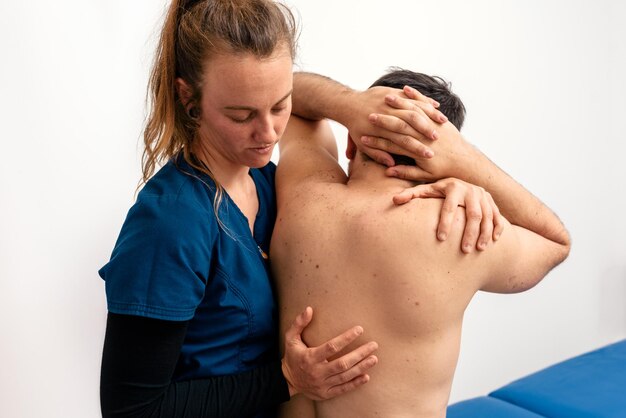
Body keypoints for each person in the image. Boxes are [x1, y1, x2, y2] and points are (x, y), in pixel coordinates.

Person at [98, 2, 490, 417]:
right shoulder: (171, 222)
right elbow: (131, 410)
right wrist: (286, 380)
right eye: (241, 114)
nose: (268, 133)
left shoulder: (270, 182)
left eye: (279, 106)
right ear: (188, 97)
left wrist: (461, 183)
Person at [271, 69, 571, 418]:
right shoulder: (455, 230)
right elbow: (555, 241)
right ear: (441, 162)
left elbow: (284, 91)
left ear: (352, 143)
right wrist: (466, 163)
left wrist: (349, 104)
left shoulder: (301, 190)